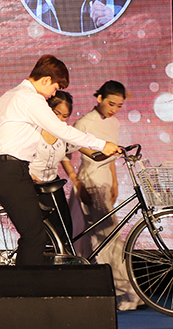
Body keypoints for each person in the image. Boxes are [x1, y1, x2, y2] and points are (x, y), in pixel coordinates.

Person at [0, 55, 120, 265]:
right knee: (35, 235)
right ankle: (26, 291)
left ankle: (24, 287)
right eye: (56, 87)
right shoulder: (31, 98)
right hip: (11, 170)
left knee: (37, 234)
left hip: (10, 169)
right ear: (46, 80)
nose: (54, 93)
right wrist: (102, 144)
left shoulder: (10, 94)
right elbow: (61, 129)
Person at [68, 80, 142, 311]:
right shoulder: (83, 123)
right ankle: (125, 292)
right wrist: (77, 184)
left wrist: (116, 182)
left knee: (97, 240)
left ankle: (103, 291)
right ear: (99, 98)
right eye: (111, 103)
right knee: (107, 239)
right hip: (89, 182)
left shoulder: (115, 123)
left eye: (119, 106)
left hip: (106, 183)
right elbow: (66, 154)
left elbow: (111, 154)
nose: (114, 109)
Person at [29, 90, 77, 242]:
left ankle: (61, 264)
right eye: (57, 114)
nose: (60, 120)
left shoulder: (63, 132)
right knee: (41, 234)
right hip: (32, 185)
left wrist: (109, 149)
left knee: (64, 232)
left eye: (65, 116)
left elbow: (86, 146)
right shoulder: (32, 130)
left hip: (53, 187)